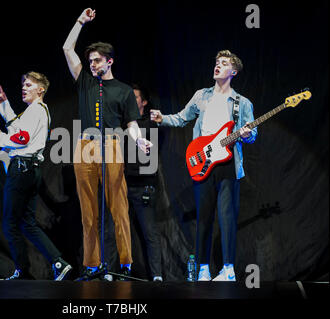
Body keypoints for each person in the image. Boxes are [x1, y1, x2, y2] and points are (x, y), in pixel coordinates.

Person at [151, 50, 257, 281]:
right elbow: (181, 117)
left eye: (224, 63)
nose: (218, 65)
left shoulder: (242, 103)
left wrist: (247, 134)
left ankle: (228, 269)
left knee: (227, 216)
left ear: (234, 71)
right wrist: (162, 118)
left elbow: (252, 133)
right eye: (217, 62)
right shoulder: (201, 96)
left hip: (228, 164)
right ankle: (202, 268)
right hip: (203, 161)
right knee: (204, 216)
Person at [62, 8, 152, 281]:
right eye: (90, 60)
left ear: (110, 62)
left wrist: (140, 141)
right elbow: (67, 47)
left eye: (98, 60)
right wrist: (80, 21)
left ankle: (125, 264)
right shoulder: (86, 82)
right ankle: (92, 265)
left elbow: (131, 125)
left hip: (112, 145)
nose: (92, 64)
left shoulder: (124, 91)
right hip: (85, 145)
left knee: (118, 207)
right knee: (88, 212)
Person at [0, 71, 72, 280]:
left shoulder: (35, 111)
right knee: (27, 223)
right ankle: (59, 263)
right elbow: (19, 128)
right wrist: (5, 107)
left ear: (40, 89)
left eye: (28, 84)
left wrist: (1, 138)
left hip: (22, 170)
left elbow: (21, 137)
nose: (23, 88)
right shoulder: (37, 111)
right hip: (31, 171)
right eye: (23, 85)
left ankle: (22, 271)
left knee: (10, 222)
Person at [126, 84, 163, 281]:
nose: (131, 100)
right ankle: (116, 273)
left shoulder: (150, 124)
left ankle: (156, 275)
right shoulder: (124, 122)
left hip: (144, 186)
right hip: (123, 184)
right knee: (118, 231)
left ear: (144, 102)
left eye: (136, 97)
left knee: (150, 232)